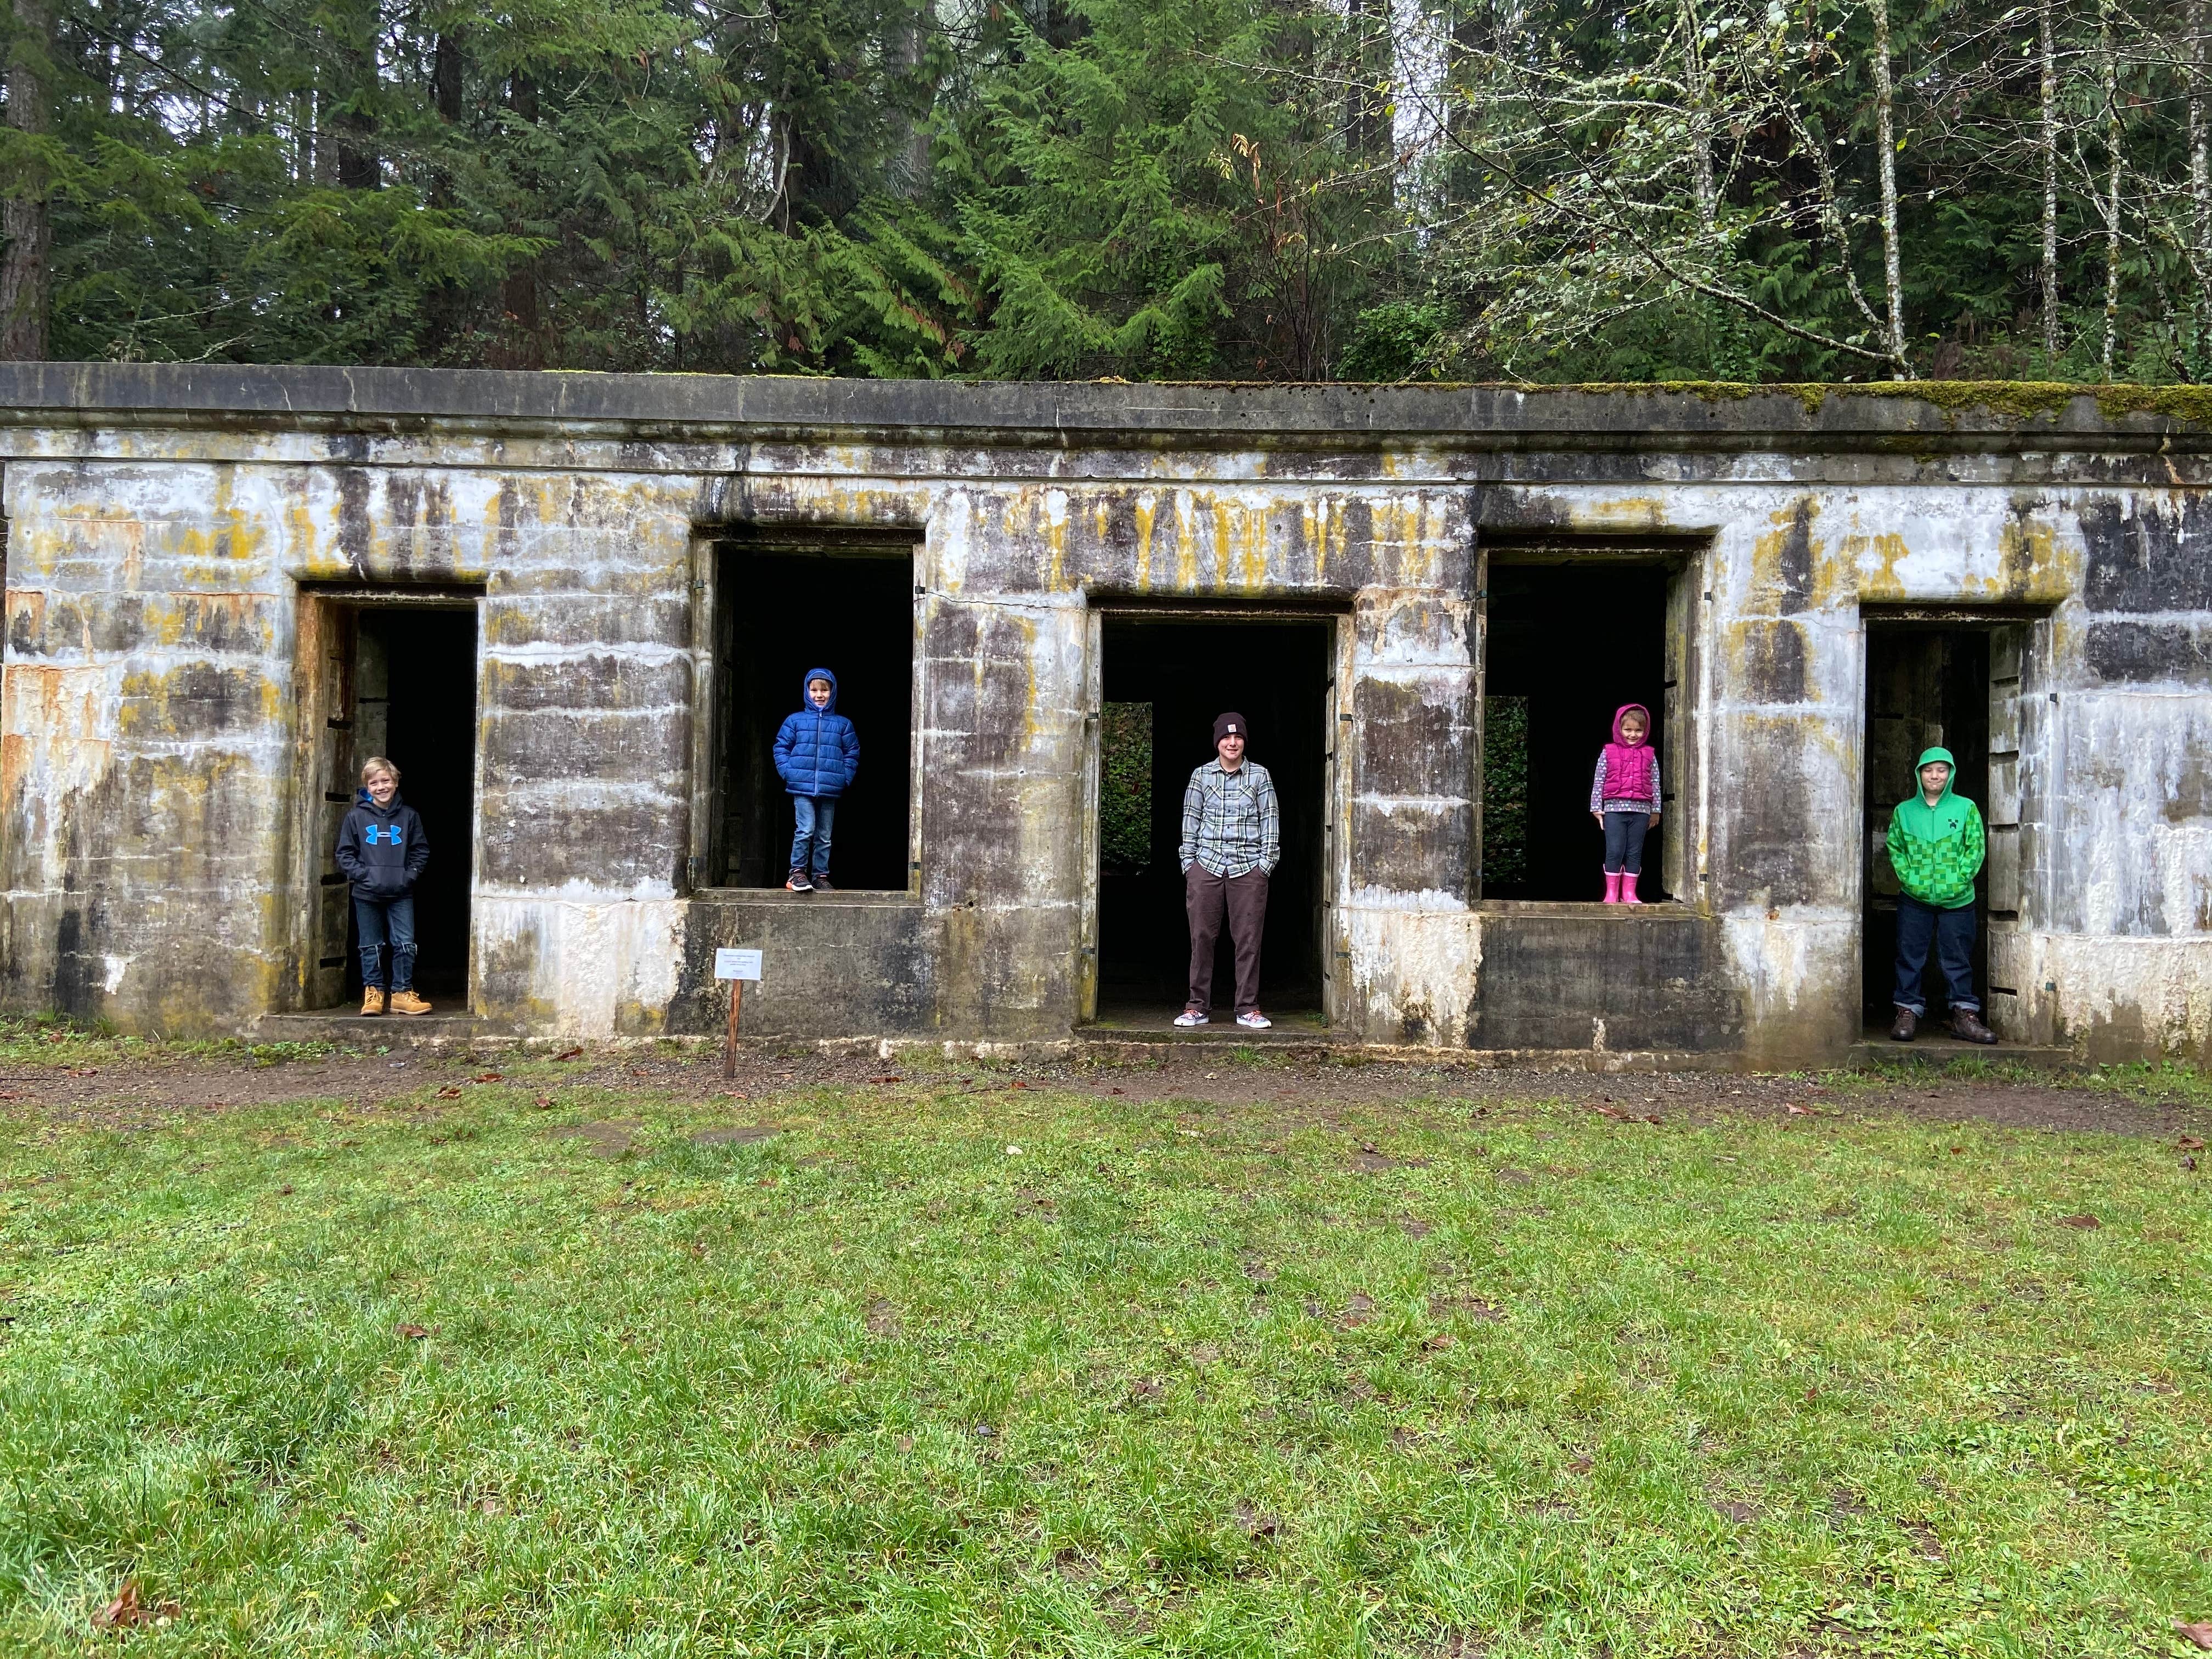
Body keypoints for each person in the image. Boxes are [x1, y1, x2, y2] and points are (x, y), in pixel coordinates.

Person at [1175, 712, 1279, 1029]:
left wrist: (1265, 866)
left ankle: (1247, 1008)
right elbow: (1190, 822)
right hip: (1205, 866)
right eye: (1226, 737)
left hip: (1248, 868)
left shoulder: (1260, 777)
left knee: (1248, 940)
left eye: (1237, 738)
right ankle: (1197, 1007)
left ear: (1244, 741)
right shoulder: (1201, 776)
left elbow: (1270, 824)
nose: (1232, 743)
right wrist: (1189, 865)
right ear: (1217, 741)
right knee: (1202, 937)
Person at [1887, 745, 1996, 1043]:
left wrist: (1958, 881)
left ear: (1950, 774)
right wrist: (1911, 880)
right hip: (1915, 898)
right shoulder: (1904, 812)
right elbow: (1895, 849)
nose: (1935, 776)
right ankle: (1907, 1012)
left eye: (1941, 770)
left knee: (1957, 957)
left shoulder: (1965, 808)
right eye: (1928, 770)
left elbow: (1975, 848)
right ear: (1919, 774)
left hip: (1958, 899)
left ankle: (1964, 1014)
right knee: (1910, 957)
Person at [334, 757, 432, 1015]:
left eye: (386, 781)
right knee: (370, 945)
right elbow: (345, 853)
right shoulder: (356, 817)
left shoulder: (410, 816)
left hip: (401, 892)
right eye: (374, 783)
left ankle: (401, 993)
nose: (381, 787)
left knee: (405, 944)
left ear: (396, 782)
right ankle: (374, 993)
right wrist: (363, 875)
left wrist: (408, 876)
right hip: (366, 892)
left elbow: (420, 850)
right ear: (367, 787)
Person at [774, 667, 859, 893]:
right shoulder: (795, 721)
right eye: (814, 690)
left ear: (833, 692)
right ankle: (797, 873)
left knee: (824, 836)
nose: (819, 695)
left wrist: (844, 778)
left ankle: (821, 876)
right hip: (801, 786)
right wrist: (788, 772)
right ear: (806, 691)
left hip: (831, 787)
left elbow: (852, 752)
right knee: (806, 829)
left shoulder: (843, 724)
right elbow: (781, 747)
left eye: (824, 690)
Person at [1590, 702, 1662, 904]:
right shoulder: (1608, 752)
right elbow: (1599, 779)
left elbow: (1655, 783)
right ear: (1619, 729)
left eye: (1639, 730)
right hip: (1614, 810)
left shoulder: (1650, 754)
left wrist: (1656, 811)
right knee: (1614, 850)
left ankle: (1630, 894)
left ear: (1645, 730)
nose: (1633, 734)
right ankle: (1611, 894)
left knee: (1634, 851)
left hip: (1641, 811)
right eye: (1628, 729)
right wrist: (1597, 807)